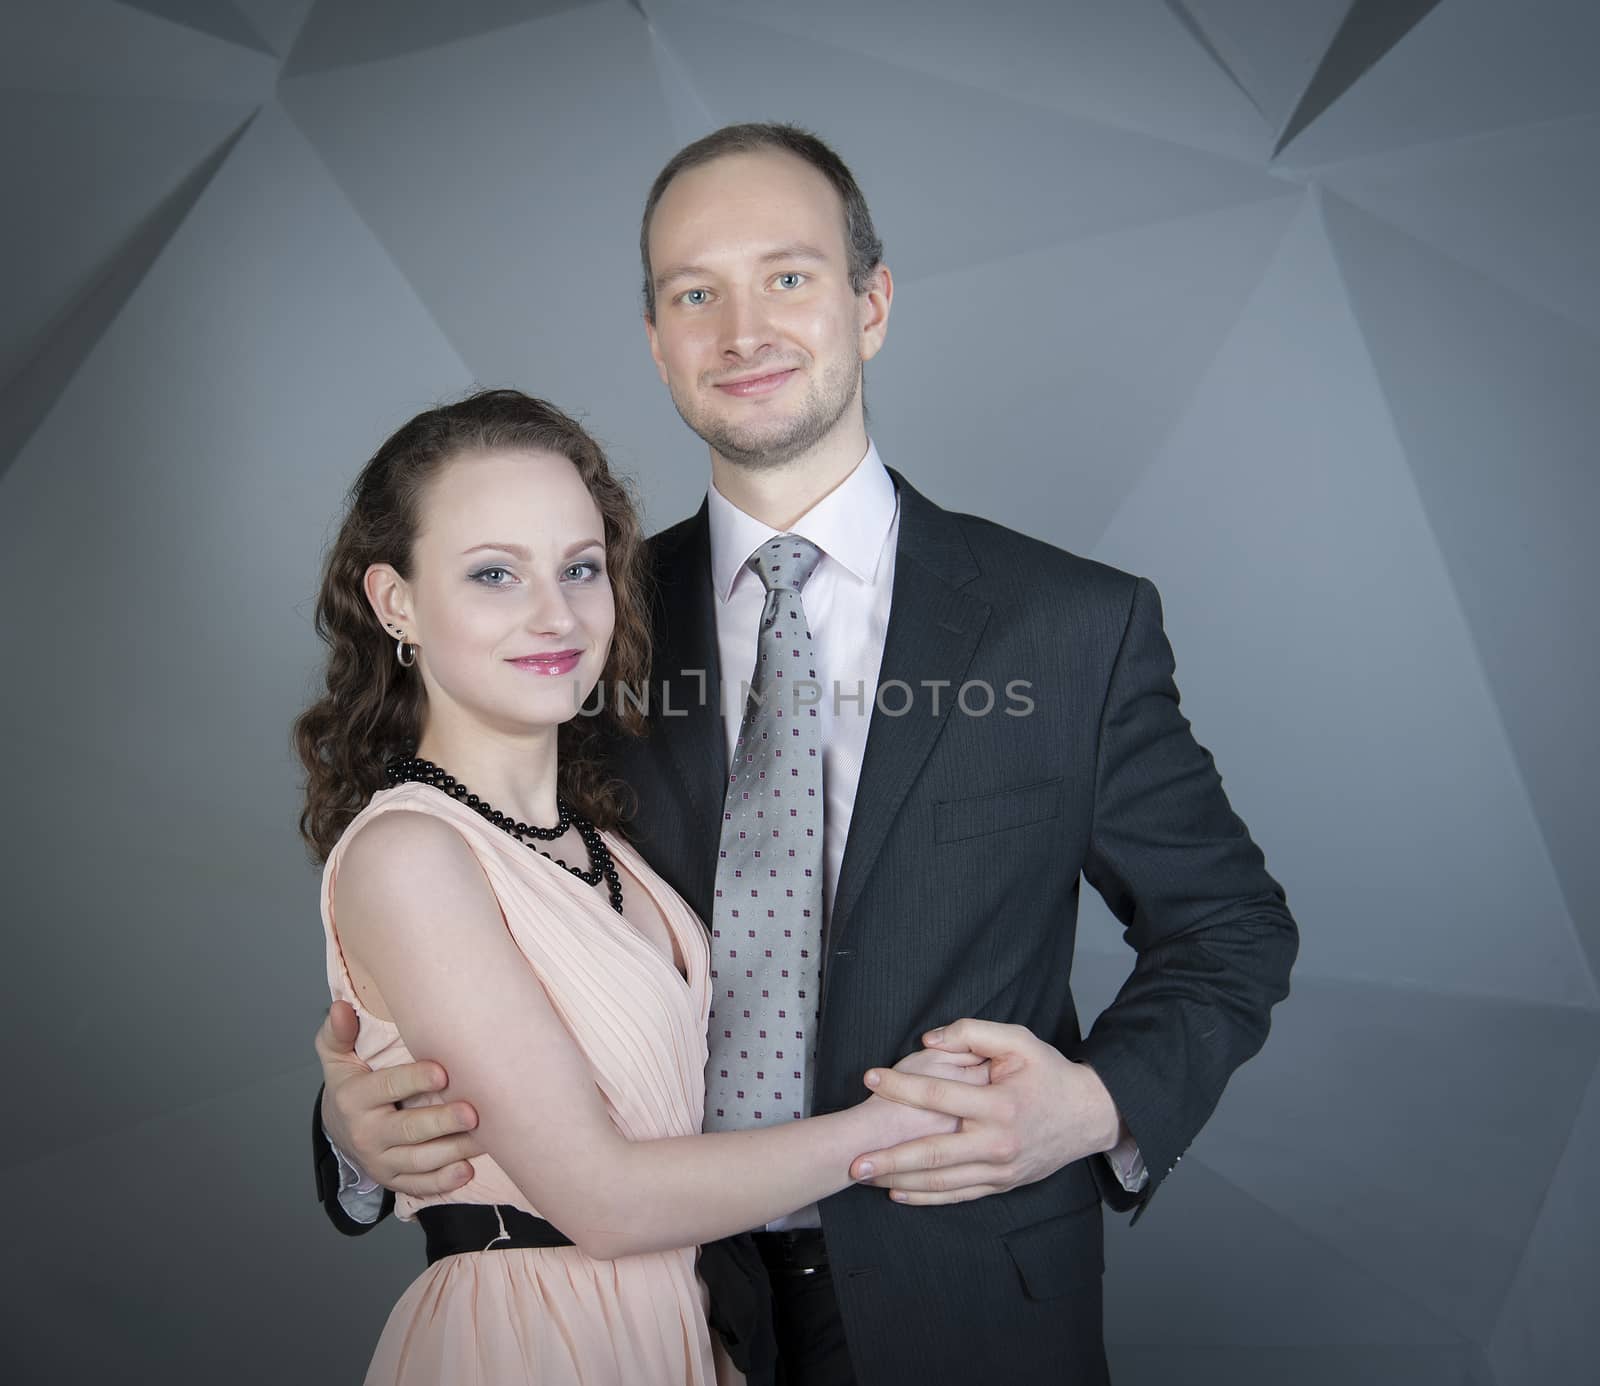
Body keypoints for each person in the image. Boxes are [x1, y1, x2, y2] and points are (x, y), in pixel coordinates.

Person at [312, 125, 1299, 1386]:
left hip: (974, 1298)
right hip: (661, 1313)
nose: (742, 330)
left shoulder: (1068, 627)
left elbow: (1229, 927)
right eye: (693, 293)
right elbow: (492, 915)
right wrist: (360, 1126)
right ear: (658, 339)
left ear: (869, 304)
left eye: (787, 276)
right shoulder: (571, 633)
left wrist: (1094, 1105)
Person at [295, 389, 988, 1385]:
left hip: (685, 1331)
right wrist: (907, 1122)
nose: (554, 614)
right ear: (396, 601)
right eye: (494, 573)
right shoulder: (409, 853)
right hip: (532, 1343)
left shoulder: (609, 846)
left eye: (579, 569)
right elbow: (606, 1198)